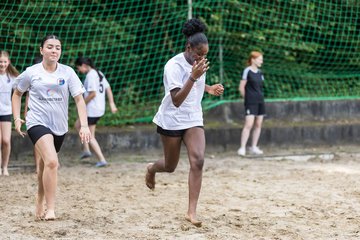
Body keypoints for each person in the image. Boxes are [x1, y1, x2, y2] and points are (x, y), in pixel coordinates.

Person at [145, 18, 224, 227]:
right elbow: (177, 100)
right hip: (171, 119)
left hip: (193, 118)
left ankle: (191, 212)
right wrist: (193, 78)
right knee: (170, 166)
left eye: (205, 55)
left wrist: (209, 88)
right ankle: (152, 169)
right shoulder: (173, 65)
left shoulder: (199, 64)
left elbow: (196, 87)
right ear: (188, 47)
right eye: (199, 54)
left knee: (198, 160)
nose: (201, 58)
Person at [12, 35, 91, 220]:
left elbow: (79, 99)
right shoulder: (31, 72)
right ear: (41, 50)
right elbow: (17, 94)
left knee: (45, 164)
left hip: (59, 126)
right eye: (50, 47)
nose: (54, 50)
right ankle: (51, 209)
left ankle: (39, 197)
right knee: (53, 162)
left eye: (57, 47)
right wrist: (17, 118)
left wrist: (84, 126)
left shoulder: (68, 72)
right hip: (36, 121)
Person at [74, 56, 118, 167]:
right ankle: (86, 150)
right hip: (98, 108)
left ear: (84, 65)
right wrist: (112, 103)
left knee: (90, 135)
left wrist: (81, 104)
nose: (79, 70)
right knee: (78, 125)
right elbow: (108, 88)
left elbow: (93, 94)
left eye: (78, 68)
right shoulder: (99, 73)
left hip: (92, 110)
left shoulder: (91, 75)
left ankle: (102, 159)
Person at [237, 51, 265, 156]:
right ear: (253, 59)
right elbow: (241, 87)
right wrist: (247, 99)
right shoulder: (247, 71)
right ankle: (242, 148)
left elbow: (260, 87)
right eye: (260, 59)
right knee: (249, 124)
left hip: (260, 101)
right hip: (250, 102)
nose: (261, 61)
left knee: (258, 124)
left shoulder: (260, 73)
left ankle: (254, 147)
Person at [0, 50, 19, 176]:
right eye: (0, 62)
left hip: (6, 112)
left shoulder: (12, 77)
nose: (2, 64)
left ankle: (5, 167)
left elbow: (18, 93)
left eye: (4, 62)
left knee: (6, 140)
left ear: (9, 62)